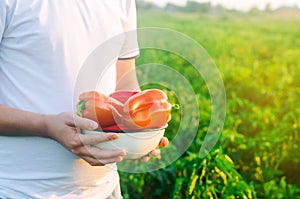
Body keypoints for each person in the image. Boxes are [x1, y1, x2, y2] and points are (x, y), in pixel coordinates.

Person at [0, 0, 168, 198]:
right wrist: (45, 125)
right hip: (17, 190)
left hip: (104, 189)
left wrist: (139, 131)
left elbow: (125, 84)